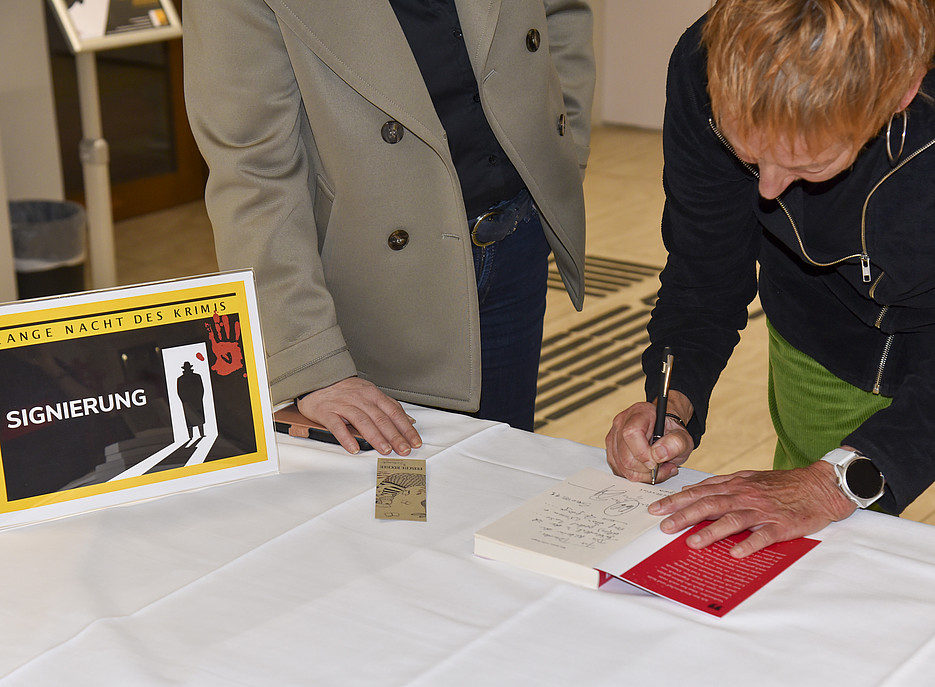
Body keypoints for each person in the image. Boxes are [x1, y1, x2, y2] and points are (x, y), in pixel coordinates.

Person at [183, 1, 594, 456]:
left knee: (503, 474)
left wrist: (560, 156)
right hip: (378, 287)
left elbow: (559, 15)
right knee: (402, 508)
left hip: (515, 240)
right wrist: (311, 360)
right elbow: (253, 172)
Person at [605, 0, 935, 558]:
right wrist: (676, 395)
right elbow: (704, 269)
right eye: (750, 156)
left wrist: (836, 481)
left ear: (900, 92)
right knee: (817, 560)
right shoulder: (705, 62)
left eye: (807, 166)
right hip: (819, 323)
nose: (769, 190)